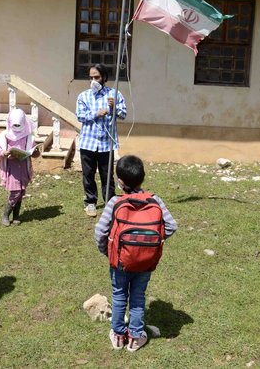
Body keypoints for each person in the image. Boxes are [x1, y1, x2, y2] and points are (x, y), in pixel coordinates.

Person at [94, 155, 177, 352]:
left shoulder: (115, 201)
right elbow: (172, 226)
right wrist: (152, 243)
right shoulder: (155, 199)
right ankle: (136, 337)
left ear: (120, 181)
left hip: (120, 262)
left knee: (119, 295)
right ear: (143, 177)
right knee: (138, 297)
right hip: (146, 262)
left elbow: (100, 232)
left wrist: (107, 251)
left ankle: (118, 334)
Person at [76, 63, 127, 217]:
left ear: (104, 77)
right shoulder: (83, 96)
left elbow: (123, 114)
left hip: (106, 143)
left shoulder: (114, 94)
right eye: (91, 77)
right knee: (88, 174)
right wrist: (96, 114)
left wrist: (114, 108)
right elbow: (80, 116)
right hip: (88, 143)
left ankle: (109, 203)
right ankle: (90, 202)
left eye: (96, 77)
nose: (93, 80)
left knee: (107, 175)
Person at [0, 108, 40, 226]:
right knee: (15, 191)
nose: (17, 127)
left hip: (23, 167)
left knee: (21, 191)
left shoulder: (28, 136)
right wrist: (3, 153)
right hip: (11, 168)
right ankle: (5, 215)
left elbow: (35, 153)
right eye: (15, 124)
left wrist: (35, 151)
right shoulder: (4, 136)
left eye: (19, 124)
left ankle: (16, 216)